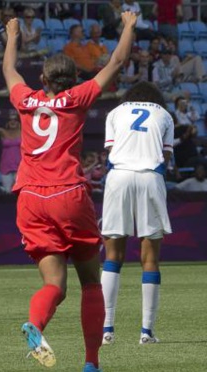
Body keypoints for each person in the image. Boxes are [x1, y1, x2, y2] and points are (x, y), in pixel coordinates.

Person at [2, 11, 137, 372]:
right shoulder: (77, 98)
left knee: (54, 286)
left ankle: (36, 324)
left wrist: (13, 36)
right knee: (91, 282)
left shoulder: (26, 101)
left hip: (31, 198)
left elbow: (9, 72)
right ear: (74, 78)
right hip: (68, 196)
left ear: (43, 78)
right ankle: (91, 363)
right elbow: (118, 61)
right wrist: (127, 26)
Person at [101, 81, 174, 346]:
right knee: (150, 258)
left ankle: (107, 330)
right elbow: (165, 155)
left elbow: (111, 150)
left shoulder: (116, 112)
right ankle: (147, 332)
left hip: (119, 176)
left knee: (112, 256)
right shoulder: (164, 114)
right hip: (150, 177)